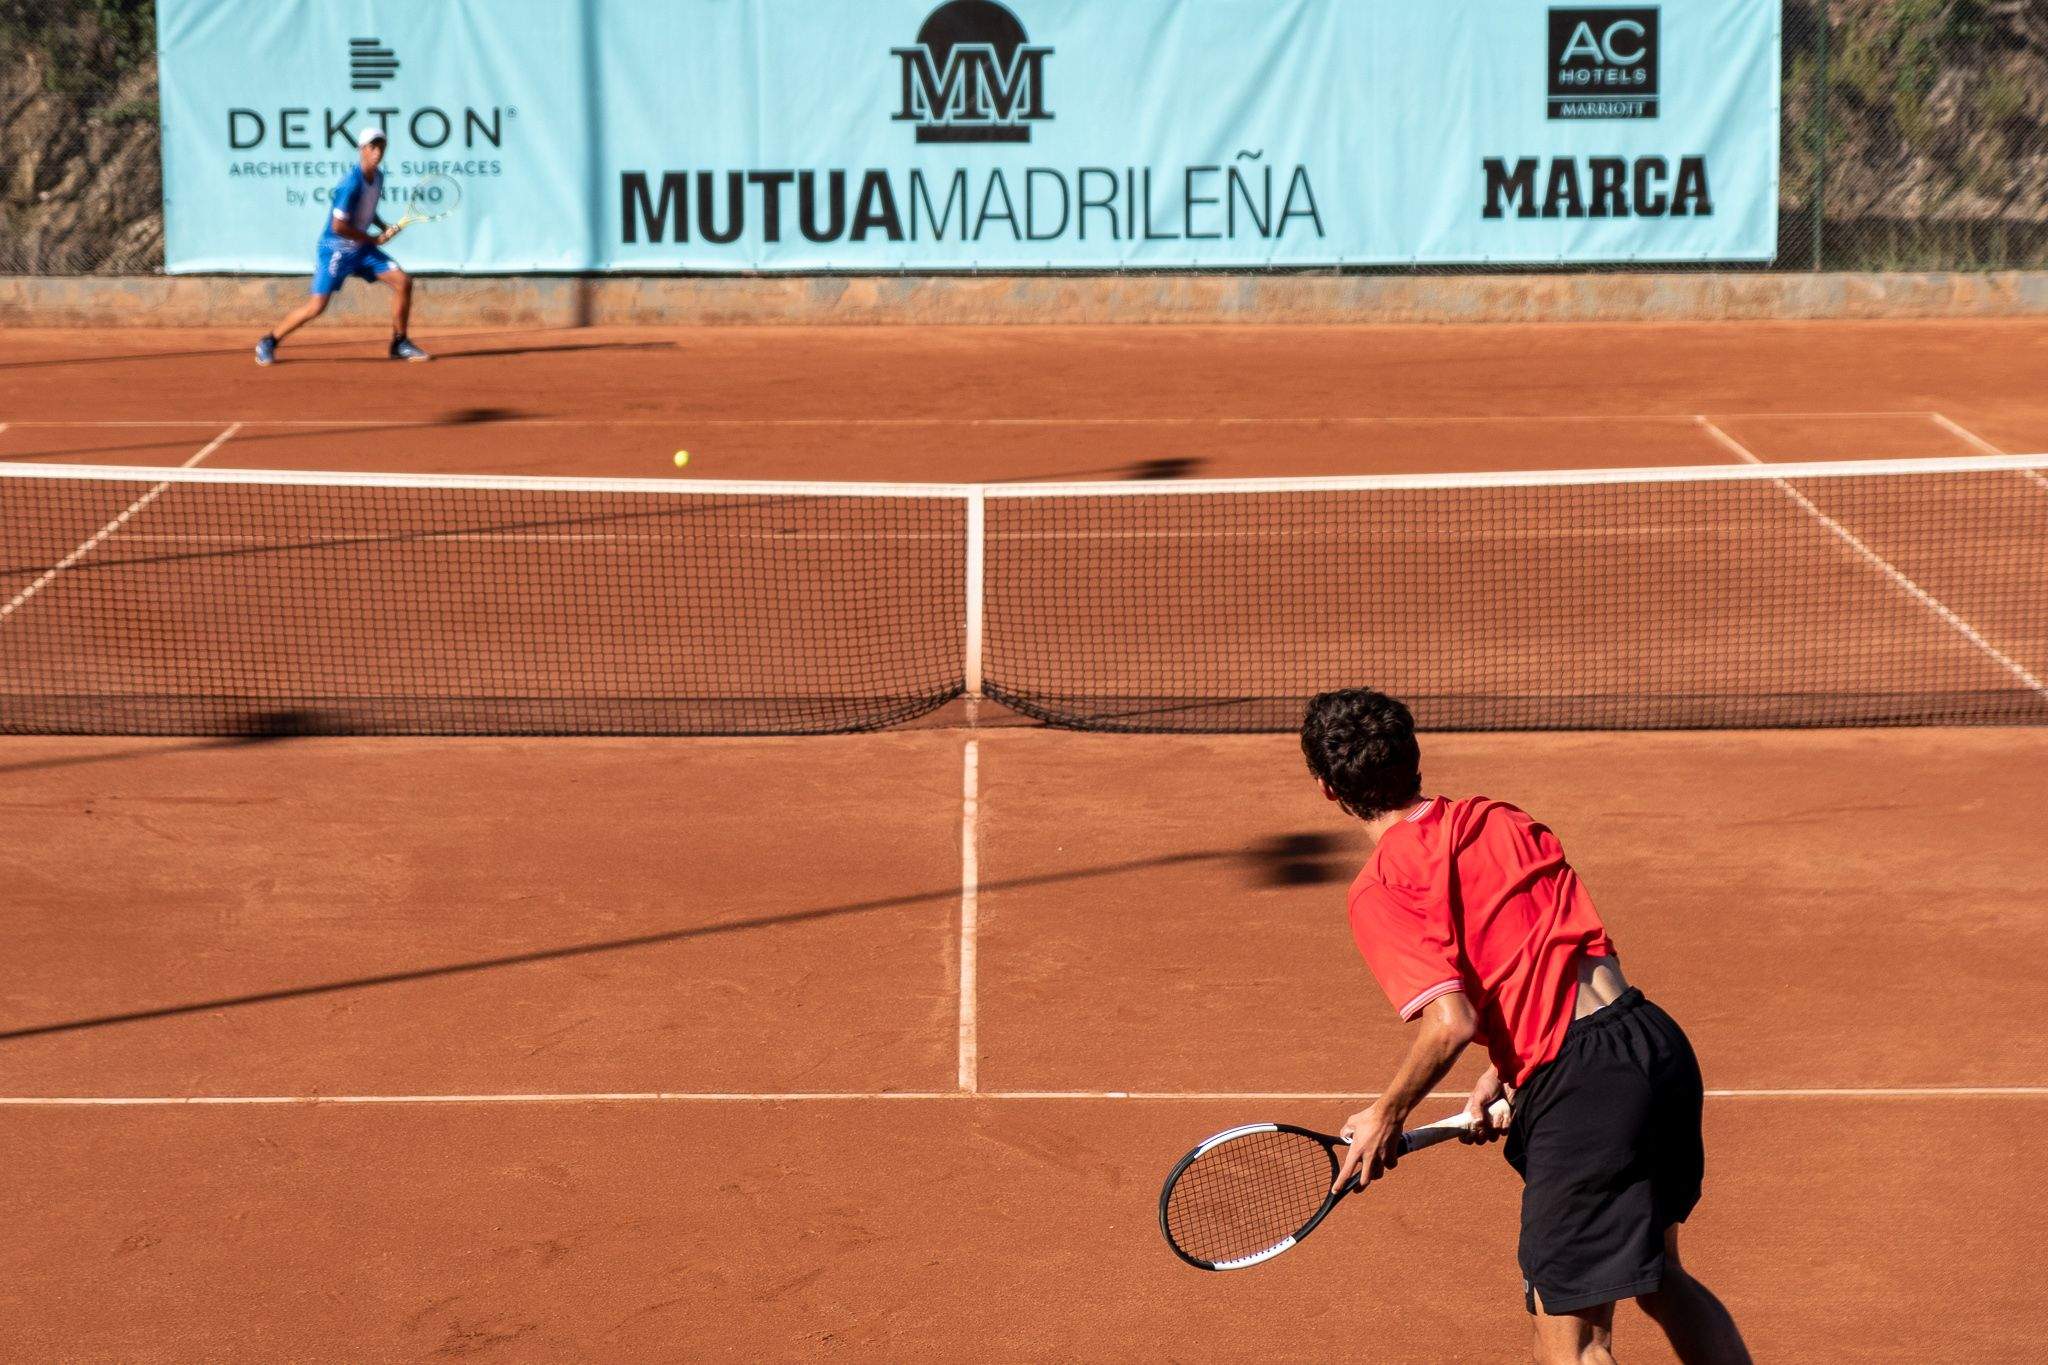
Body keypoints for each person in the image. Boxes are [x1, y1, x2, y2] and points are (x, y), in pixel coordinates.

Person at [1302, 688, 1750, 1365]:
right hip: (1650, 1041)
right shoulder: (1497, 818)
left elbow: (1451, 1022)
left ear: (1329, 789)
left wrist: (1386, 1112)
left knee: (1571, 1346)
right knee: (1662, 1278)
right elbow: (1566, 950)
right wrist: (1511, 1071)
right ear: (1412, 756)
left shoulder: (1384, 887)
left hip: (1585, 1087)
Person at [255, 127, 429, 365]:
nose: (377, 152)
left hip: (361, 249)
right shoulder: (350, 183)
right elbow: (338, 226)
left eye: (381, 147)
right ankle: (269, 341)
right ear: (362, 150)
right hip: (336, 248)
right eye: (372, 147)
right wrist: (373, 239)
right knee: (317, 306)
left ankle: (399, 343)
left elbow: (366, 208)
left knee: (403, 282)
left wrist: (381, 225)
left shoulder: (378, 177)